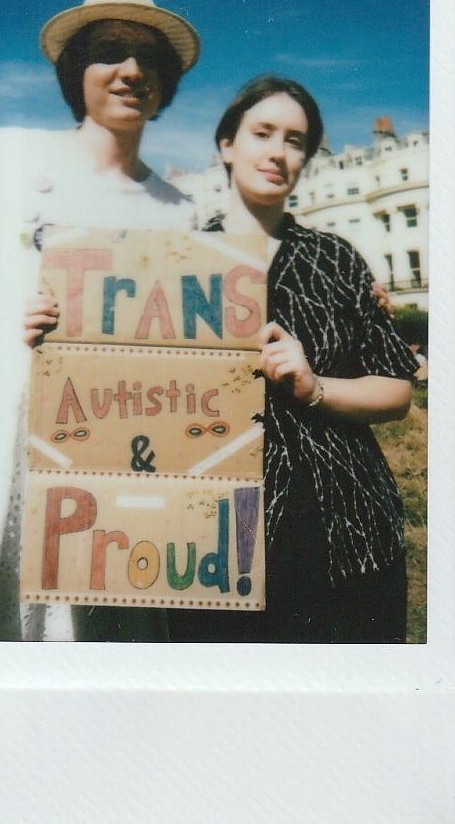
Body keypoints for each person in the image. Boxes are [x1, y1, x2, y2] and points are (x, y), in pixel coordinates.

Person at [0, 0, 200, 640]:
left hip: (92, 470)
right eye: (110, 51)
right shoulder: (4, 152)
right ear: (75, 70)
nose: (131, 70)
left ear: (168, 83)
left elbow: (178, 367)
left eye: (150, 59)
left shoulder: (181, 212)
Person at [164, 75, 419, 643]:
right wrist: (52, 327)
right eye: (263, 133)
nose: (278, 151)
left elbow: (396, 391)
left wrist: (314, 386)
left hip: (344, 528)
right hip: (210, 537)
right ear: (226, 145)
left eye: (296, 140)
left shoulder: (335, 259)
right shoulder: (176, 261)